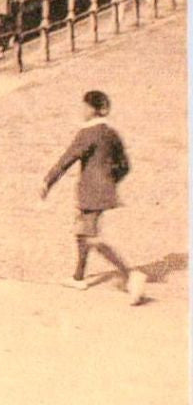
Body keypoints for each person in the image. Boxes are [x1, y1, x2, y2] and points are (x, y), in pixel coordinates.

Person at [40, 90, 146, 303]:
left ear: (91, 109)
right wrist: (109, 181)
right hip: (103, 190)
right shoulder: (110, 133)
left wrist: (48, 181)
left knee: (90, 236)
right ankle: (78, 277)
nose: (82, 110)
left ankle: (130, 274)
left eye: (84, 106)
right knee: (82, 232)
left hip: (90, 191)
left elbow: (67, 158)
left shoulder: (87, 133)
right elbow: (125, 166)